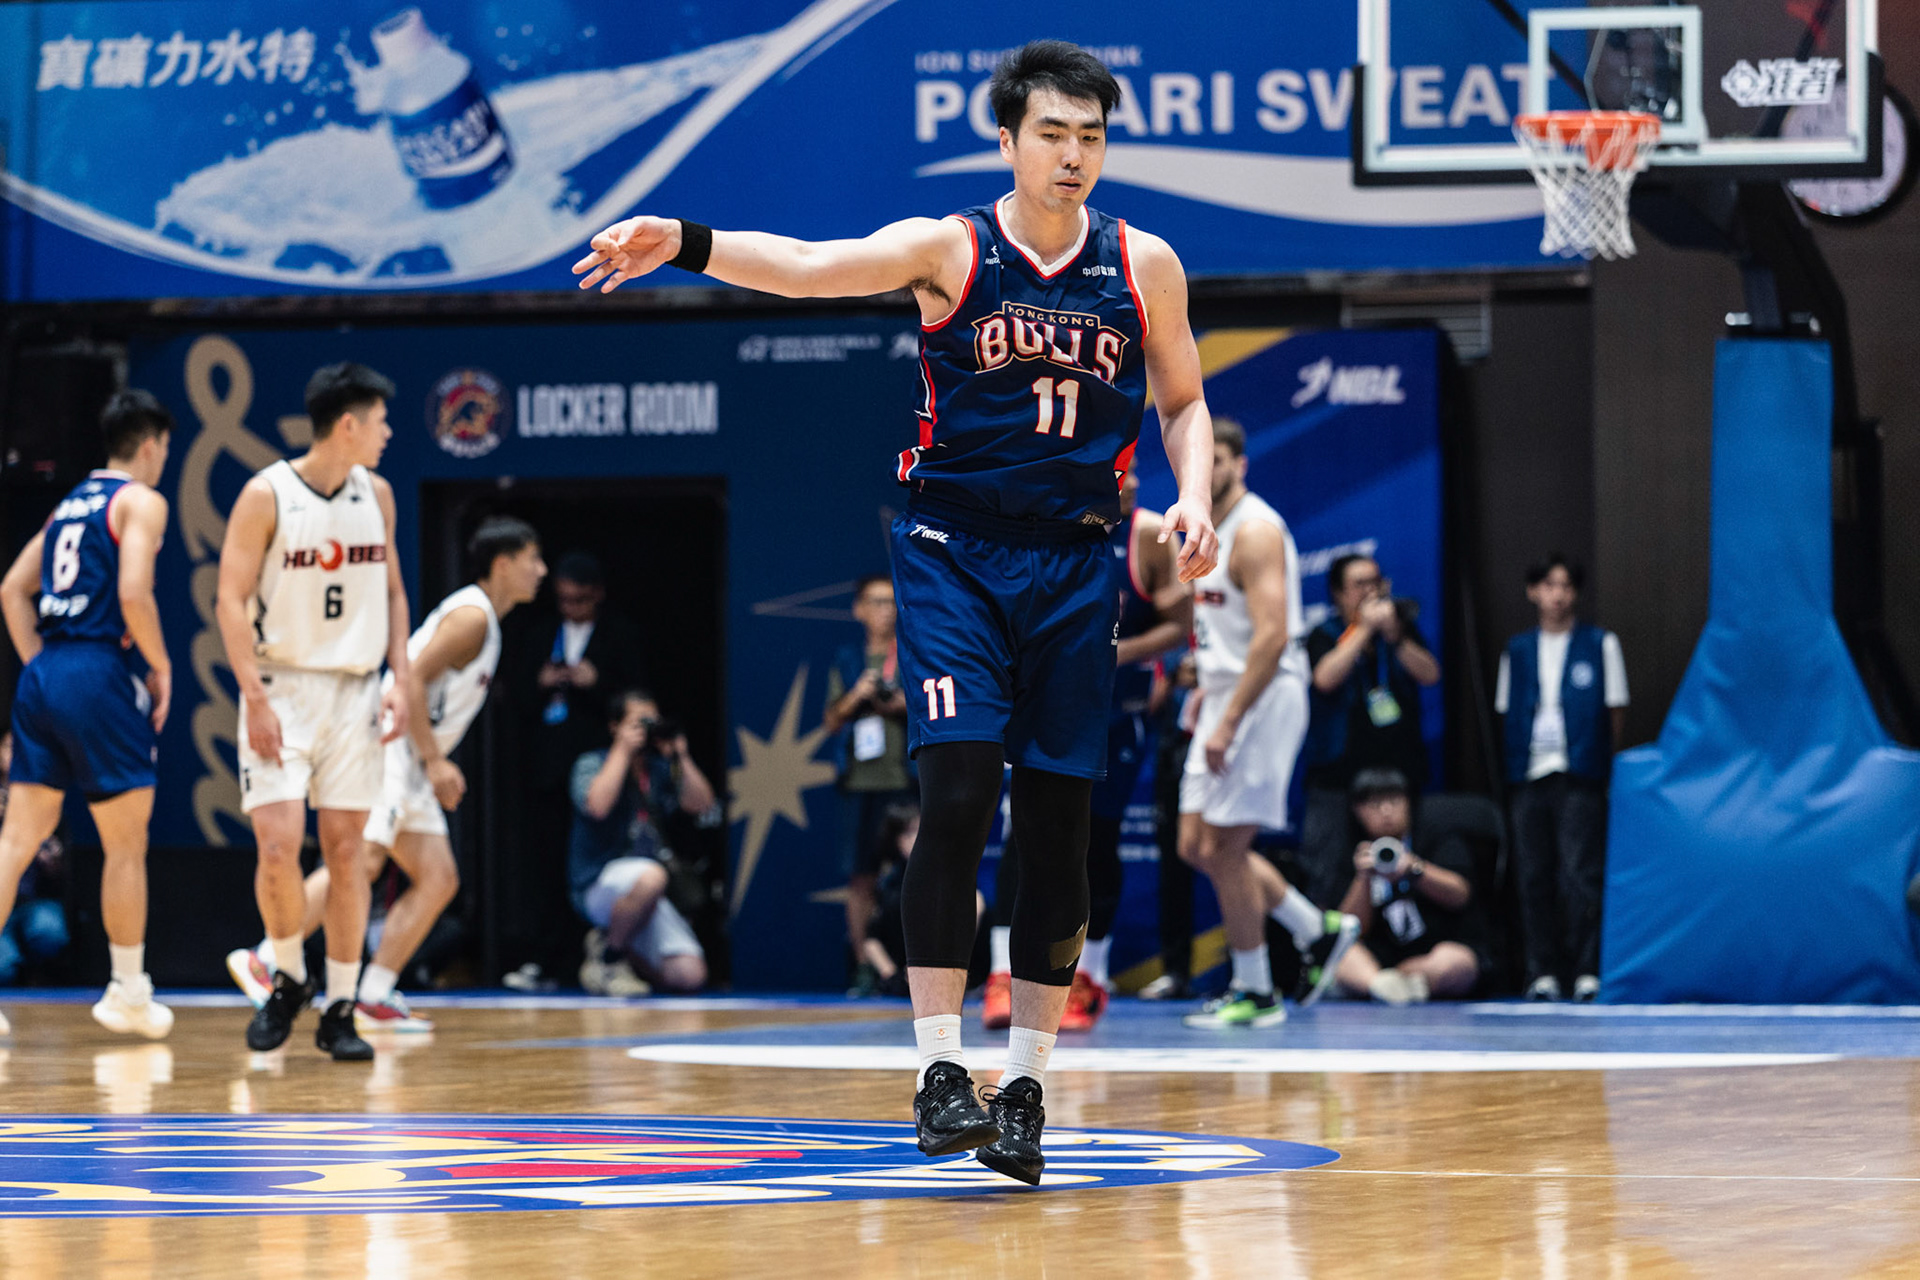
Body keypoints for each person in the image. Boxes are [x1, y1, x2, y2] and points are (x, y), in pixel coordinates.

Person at [574, 39, 1220, 1185]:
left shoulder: (1145, 263)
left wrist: (1196, 495)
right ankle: (936, 1065)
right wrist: (687, 241)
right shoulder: (953, 247)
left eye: (1092, 136)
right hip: (955, 551)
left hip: (1076, 561)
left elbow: (1183, 403)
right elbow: (815, 264)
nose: (1074, 156)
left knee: (1061, 830)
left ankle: (1024, 1083)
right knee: (961, 788)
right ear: (1009, 141)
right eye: (1053, 134)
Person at [225, 517, 547, 1031]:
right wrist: (434, 760)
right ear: (503, 563)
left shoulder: (485, 619)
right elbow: (410, 678)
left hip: (409, 752)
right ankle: (267, 957)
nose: (542, 570)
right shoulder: (472, 617)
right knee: (364, 858)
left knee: (439, 877)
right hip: (393, 743)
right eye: (533, 558)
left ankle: (373, 992)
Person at [216, 363, 410, 1062]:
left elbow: (391, 594)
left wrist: (400, 678)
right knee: (276, 846)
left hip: (355, 688)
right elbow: (229, 602)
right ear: (348, 424)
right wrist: (255, 695)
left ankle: (341, 1005)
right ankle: (289, 977)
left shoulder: (378, 495)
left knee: (349, 853)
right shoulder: (265, 494)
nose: (389, 434)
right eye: (381, 421)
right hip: (282, 686)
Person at [982, 466, 1190, 1032]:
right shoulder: (1045, 526)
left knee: (1094, 840)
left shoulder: (1147, 536)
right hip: (1045, 707)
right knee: (1018, 833)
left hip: (1115, 715)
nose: (1128, 486)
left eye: (1131, 477)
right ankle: (1004, 976)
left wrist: (1111, 655)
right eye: (1115, 476)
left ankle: (1088, 978)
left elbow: (1180, 621)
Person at [0, 390, 176, 1039]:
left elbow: (11, 590)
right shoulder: (140, 500)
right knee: (125, 843)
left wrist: (42, 667)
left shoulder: (66, 505)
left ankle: (127, 991)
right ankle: (128, 993)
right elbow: (134, 592)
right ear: (151, 444)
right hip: (99, 668)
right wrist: (160, 665)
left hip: (45, 673)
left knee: (15, 842)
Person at [1177, 420, 1360, 1028]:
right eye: (1206, 462)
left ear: (1241, 465)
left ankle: (1255, 990)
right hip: (1225, 695)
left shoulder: (1254, 531)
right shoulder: (1208, 527)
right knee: (1193, 845)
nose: (1213, 470)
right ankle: (1317, 927)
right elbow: (1220, 630)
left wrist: (1229, 718)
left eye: (1222, 460)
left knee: (1226, 846)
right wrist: (1207, 690)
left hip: (1263, 698)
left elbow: (1273, 636)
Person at [1496, 554, 1628, 1003]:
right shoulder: (1516, 649)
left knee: (1580, 873)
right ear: (1533, 591)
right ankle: (1541, 972)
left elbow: (1614, 712)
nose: (1557, 594)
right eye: (1548, 585)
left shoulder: (1600, 643)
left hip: (1578, 772)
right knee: (1533, 875)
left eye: (1566, 585)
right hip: (1529, 772)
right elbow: (1506, 712)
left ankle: (1586, 969)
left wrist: (1598, 766)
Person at [1299, 552, 1443, 909]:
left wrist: (1394, 635)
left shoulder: (1399, 630)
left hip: (1397, 776)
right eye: (1359, 584)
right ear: (1338, 593)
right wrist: (1363, 628)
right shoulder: (1324, 634)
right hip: (1338, 779)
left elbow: (1430, 674)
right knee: (1330, 874)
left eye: (1375, 582)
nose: (1369, 591)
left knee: (1403, 872)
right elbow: (1325, 678)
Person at [569, 689, 715, 995]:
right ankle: (609, 961)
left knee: (690, 974)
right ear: (614, 726)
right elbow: (597, 806)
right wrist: (622, 750)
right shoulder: (592, 763)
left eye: (652, 722)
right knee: (651, 877)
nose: (646, 730)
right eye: (638, 722)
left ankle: (612, 947)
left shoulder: (658, 769)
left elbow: (702, 805)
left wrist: (680, 754)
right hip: (599, 883)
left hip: (649, 891)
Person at [823, 574, 915, 980]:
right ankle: (864, 964)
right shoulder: (847, 659)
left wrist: (901, 706)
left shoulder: (913, 654)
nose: (885, 611)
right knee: (860, 876)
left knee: (916, 872)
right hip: (859, 783)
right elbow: (830, 720)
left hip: (904, 780)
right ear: (858, 609)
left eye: (892, 603)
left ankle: (917, 963)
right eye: (876, 603)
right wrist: (858, 694)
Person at [1332, 768, 1484, 1004]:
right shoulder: (1349, 851)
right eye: (1374, 804)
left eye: (1394, 801)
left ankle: (1393, 985)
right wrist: (1363, 879)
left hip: (1433, 953)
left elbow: (1460, 895)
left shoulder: (1437, 836)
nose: (1385, 811)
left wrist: (1414, 870)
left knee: (1457, 963)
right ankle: (1383, 986)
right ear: (1357, 810)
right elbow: (1346, 930)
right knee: (1340, 954)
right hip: (1377, 963)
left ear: (1408, 803)